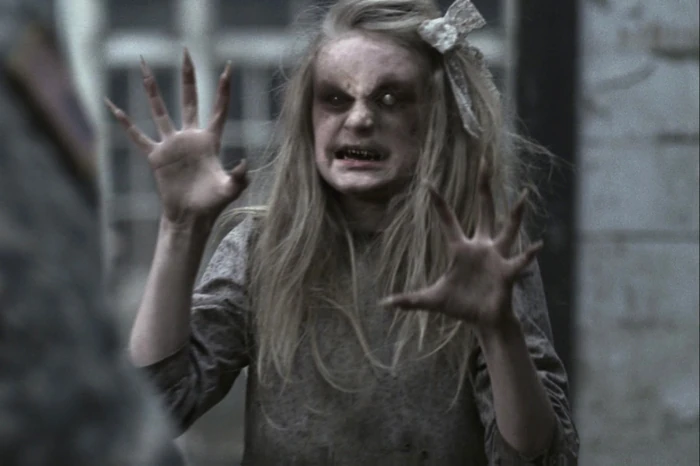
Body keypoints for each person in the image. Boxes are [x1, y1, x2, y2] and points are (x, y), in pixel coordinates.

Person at [106, 0, 579, 464]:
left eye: (390, 98)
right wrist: (181, 228)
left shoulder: (479, 258)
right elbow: (156, 409)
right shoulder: (263, 247)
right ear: (308, 119)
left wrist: (498, 331)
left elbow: (541, 458)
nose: (359, 119)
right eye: (335, 99)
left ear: (437, 118)